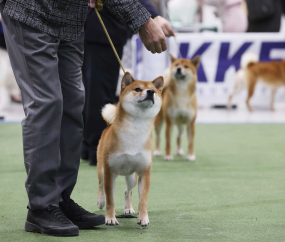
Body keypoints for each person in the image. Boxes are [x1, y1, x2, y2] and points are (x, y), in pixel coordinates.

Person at [0, 0, 167, 237]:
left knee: (73, 104)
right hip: (31, 12)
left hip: (71, 23)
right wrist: (142, 20)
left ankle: (60, 198)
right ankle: (42, 206)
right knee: (46, 103)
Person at [82, 0, 174, 166]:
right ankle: (97, 148)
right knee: (100, 92)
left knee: (91, 90)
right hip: (103, 28)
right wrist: (153, 17)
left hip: (96, 28)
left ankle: (87, 146)